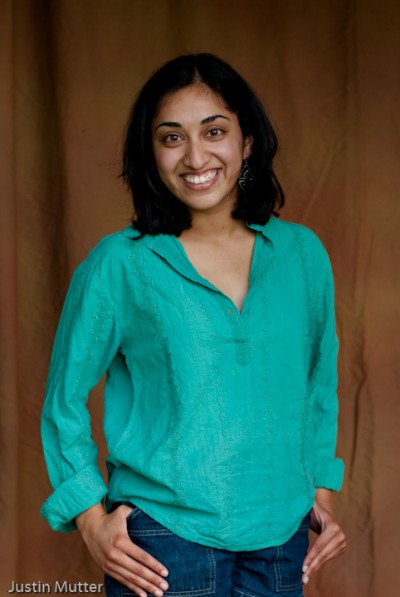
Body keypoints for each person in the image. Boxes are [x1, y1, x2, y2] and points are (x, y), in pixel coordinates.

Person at [41, 53, 346, 597]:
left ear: (247, 141)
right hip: (163, 541)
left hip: (283, 538)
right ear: (150, 152)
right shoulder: (120, 265)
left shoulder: (302, 255)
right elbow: (62, 401)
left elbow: (318, 383)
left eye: (214, 131)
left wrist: (320, 492)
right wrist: (89, 518)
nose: (196, 156)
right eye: (172, 137)